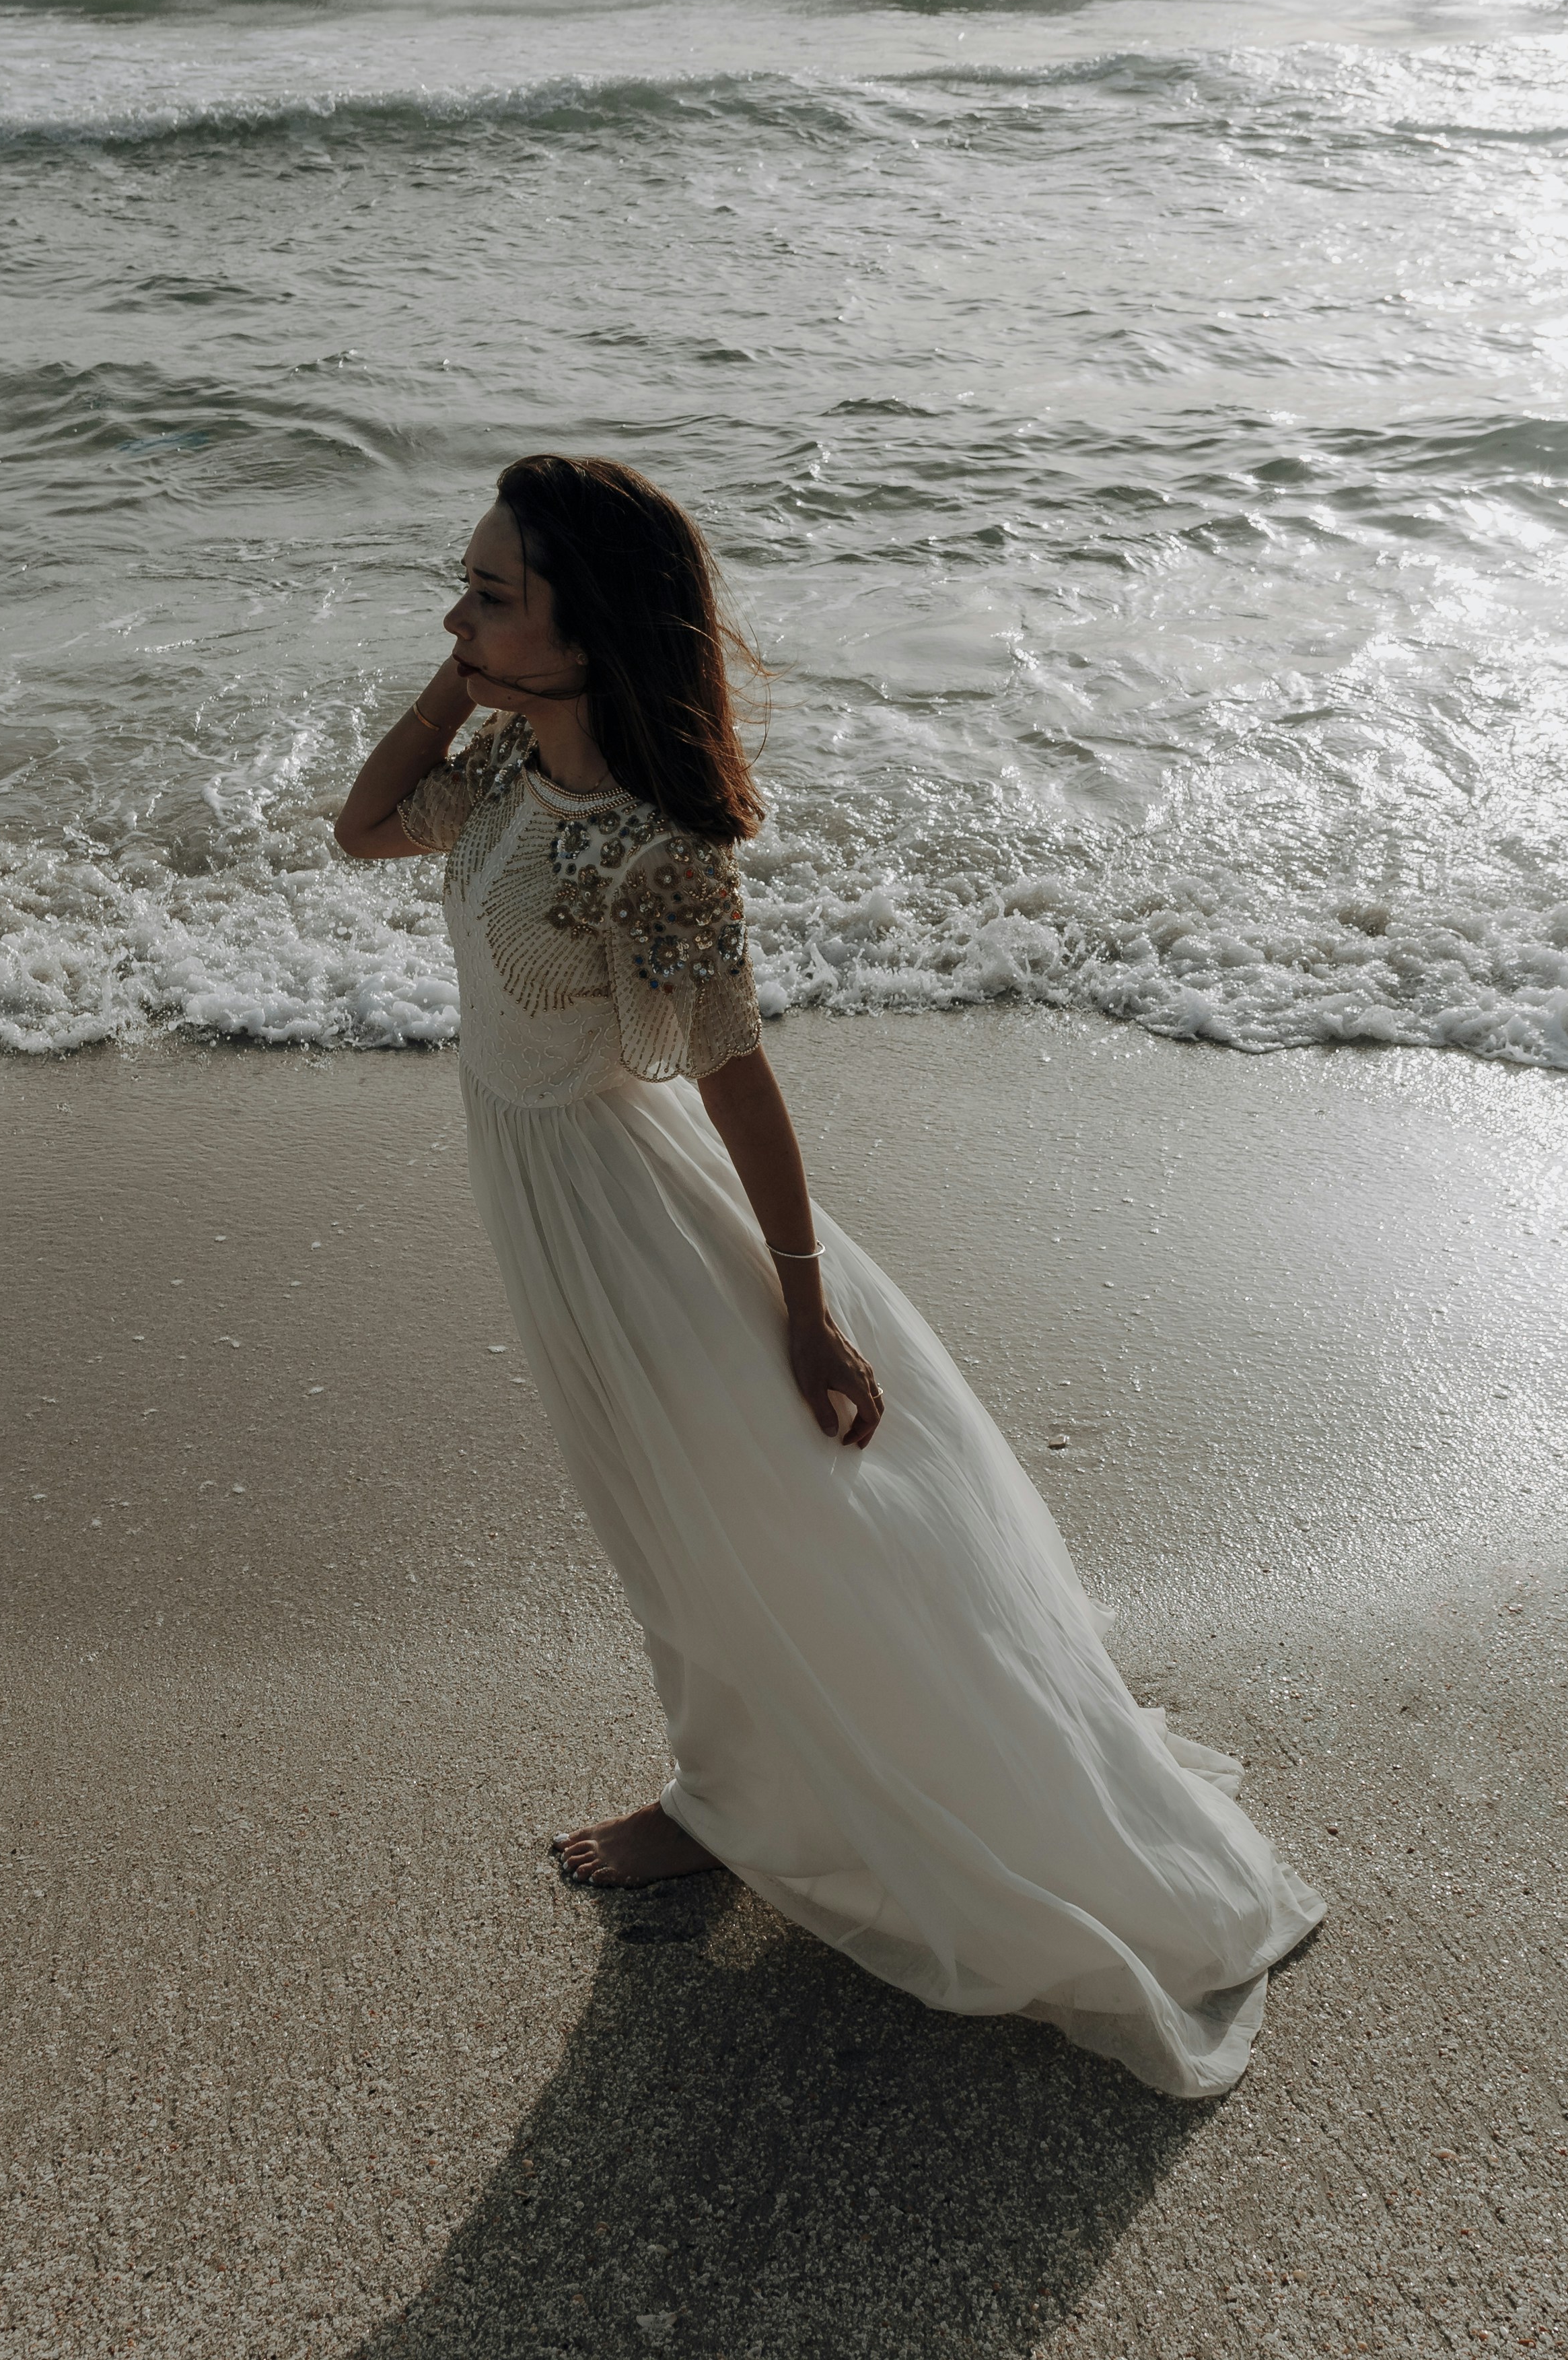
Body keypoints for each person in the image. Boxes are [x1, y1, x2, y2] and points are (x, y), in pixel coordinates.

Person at [331, 452, 1323, 2098]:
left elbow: (739, 1079)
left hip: (631, 1212)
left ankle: (736, 1799)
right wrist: (473, 666)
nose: (455, 612)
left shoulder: (654, 848)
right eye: (465, 587)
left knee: (735, 1511)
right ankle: (717, 1786)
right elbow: (364, 825)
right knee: (653, 1511)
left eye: (490, 592)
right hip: (540, 1186)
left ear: (592, 630)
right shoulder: (505, 767)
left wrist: (806, 1305)